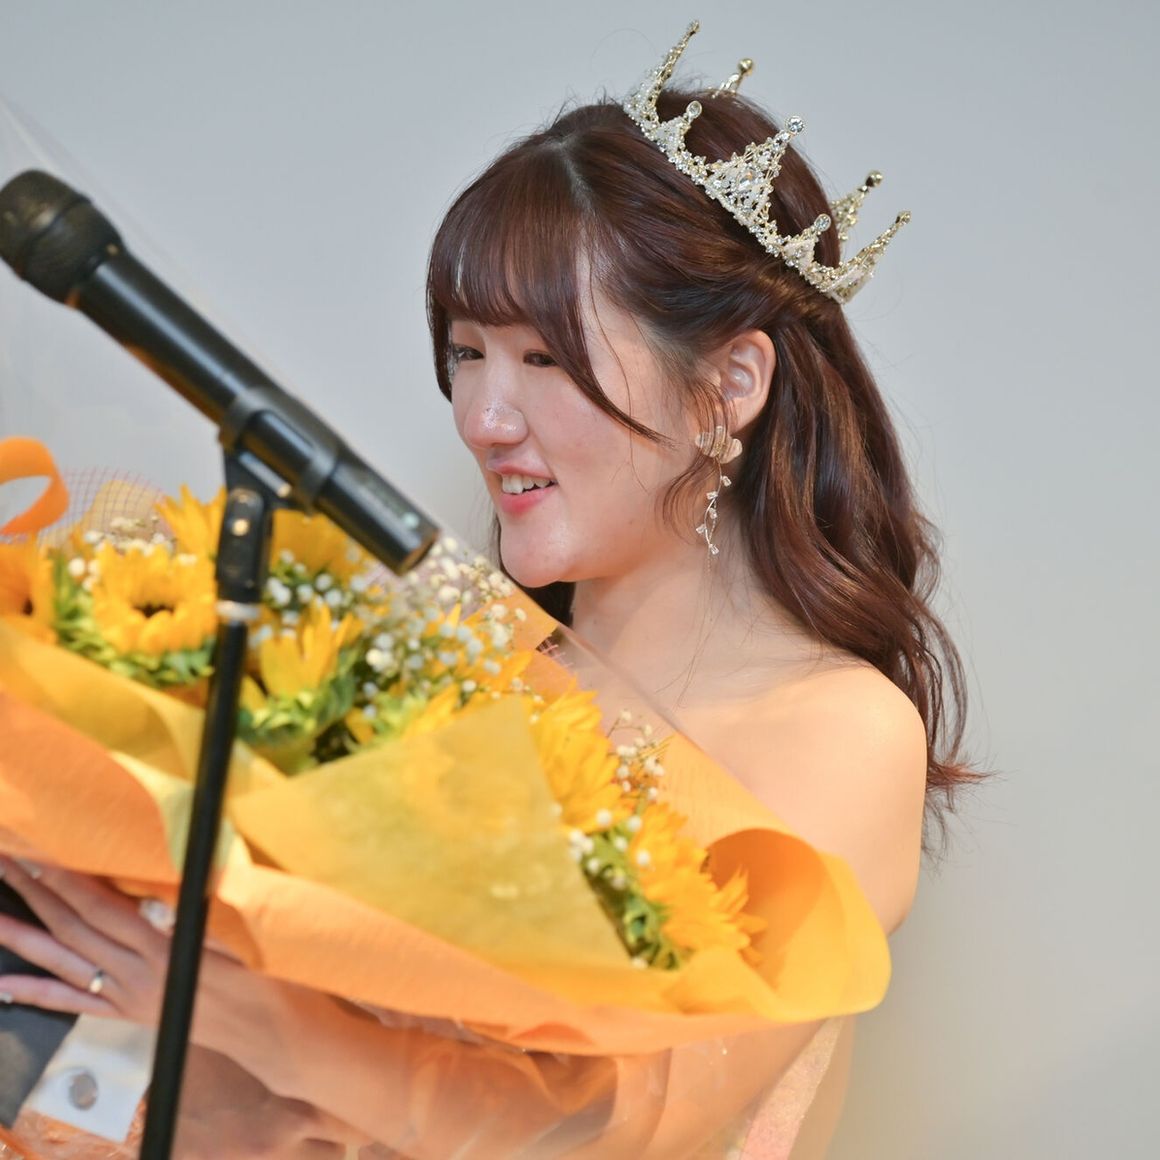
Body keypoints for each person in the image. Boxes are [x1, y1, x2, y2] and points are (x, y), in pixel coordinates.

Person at [0, 21, 972, 1158]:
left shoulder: (838, 730)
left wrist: (251, 1015)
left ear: (730, 384)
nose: (482, 417)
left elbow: (628, 1125)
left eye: (542, 357)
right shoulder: (456, 671)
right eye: (467, 352)